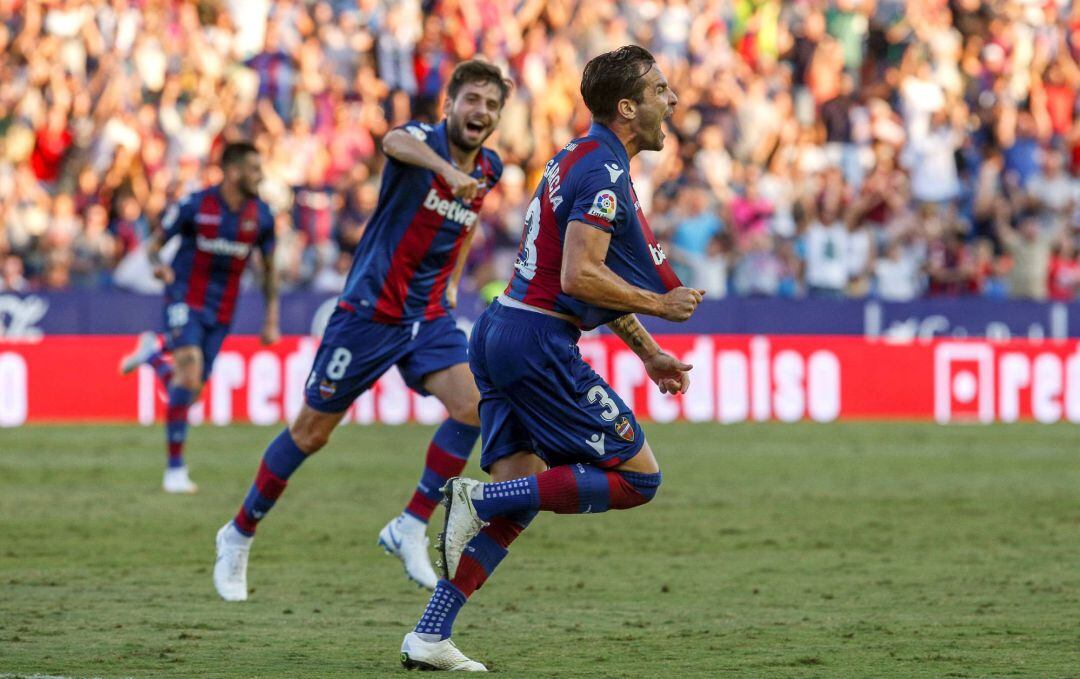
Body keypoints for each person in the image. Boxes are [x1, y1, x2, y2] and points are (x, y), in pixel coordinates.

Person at [399, 45, 705, 672]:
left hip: (503, 328)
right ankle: (474, 500)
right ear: (628, 107)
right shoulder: (602, 174)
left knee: (524, 493)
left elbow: (583, 276)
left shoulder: (579, 155)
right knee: (640, 479)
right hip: (536, 342)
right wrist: (659, 304)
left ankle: (430, 634)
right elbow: (580, 274)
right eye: (660, 91)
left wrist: (646, 352)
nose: (670, 102)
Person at [212, 60, 510, 601]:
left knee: (475, 406)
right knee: (311, 434)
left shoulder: (489, 168)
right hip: (370, 313)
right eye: (472, 100)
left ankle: (410, 525)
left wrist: (453, 282)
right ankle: (238, 533)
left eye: (491, 105)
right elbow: (395, 140)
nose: (481, 112)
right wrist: (446, 172)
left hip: (426, 316)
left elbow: (466, 224)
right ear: (450, 105)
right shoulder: (420, 141)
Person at [118, 142, 279, 494]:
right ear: (233, 171)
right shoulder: (195, 205)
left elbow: (269, 271)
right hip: (184, 297)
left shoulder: (262, 216)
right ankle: (174, 470)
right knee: (189, 369)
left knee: (189, 391)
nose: (261, 176)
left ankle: (152, 357)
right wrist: (158, 268)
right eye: (254, 169)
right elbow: (154, 245)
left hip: (222, 310)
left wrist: (271, 319)